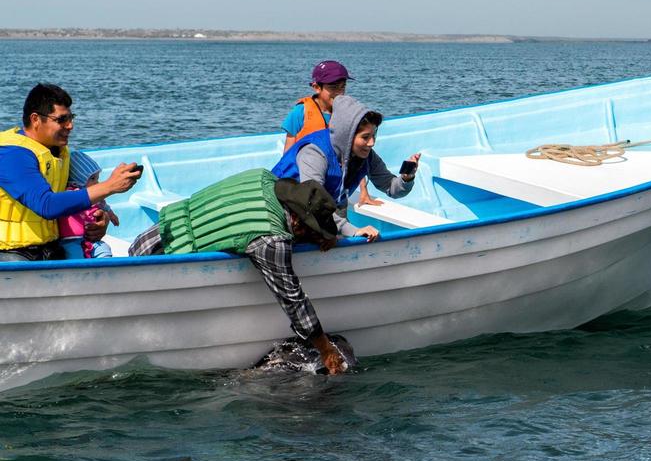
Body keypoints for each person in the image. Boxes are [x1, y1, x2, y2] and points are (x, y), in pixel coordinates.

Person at [128, 170, 350, 374]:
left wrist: (324, 234)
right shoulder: (270, 239)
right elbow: (293, 299)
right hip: (158, 259)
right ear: (299, 224)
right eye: (313, 231)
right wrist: (325, 349)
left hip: (147, 238)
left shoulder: (264, 179)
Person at [0, 83, 141, 262]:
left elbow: (74, 195)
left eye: (71, 118)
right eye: (61, 120)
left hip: (50, 246)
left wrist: (100, 219)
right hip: (11, 252)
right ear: (35, 119)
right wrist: (109, 186)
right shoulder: (12, 155)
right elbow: (47, 205)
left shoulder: (59, 153)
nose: (70, 125)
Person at [271, 95, 418, 240]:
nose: (371, 143)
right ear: (346, 135)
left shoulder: (367, 156)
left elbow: (391, 188)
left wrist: (407, 177)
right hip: (279, 213)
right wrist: (353, 230)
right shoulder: (315, 152)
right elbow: (313, 201)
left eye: (374, 136)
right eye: (365, 137)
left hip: (309, 216)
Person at [57, 152, 120, 259]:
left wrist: (111, 215)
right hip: (71, 239)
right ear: (77, 181)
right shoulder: (70, 194)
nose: (97, 182)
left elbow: (104, 204)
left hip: (92, 239)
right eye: (92, 179)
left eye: (97, 178)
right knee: (75, 257)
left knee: (105, 250)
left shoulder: (94, 196)